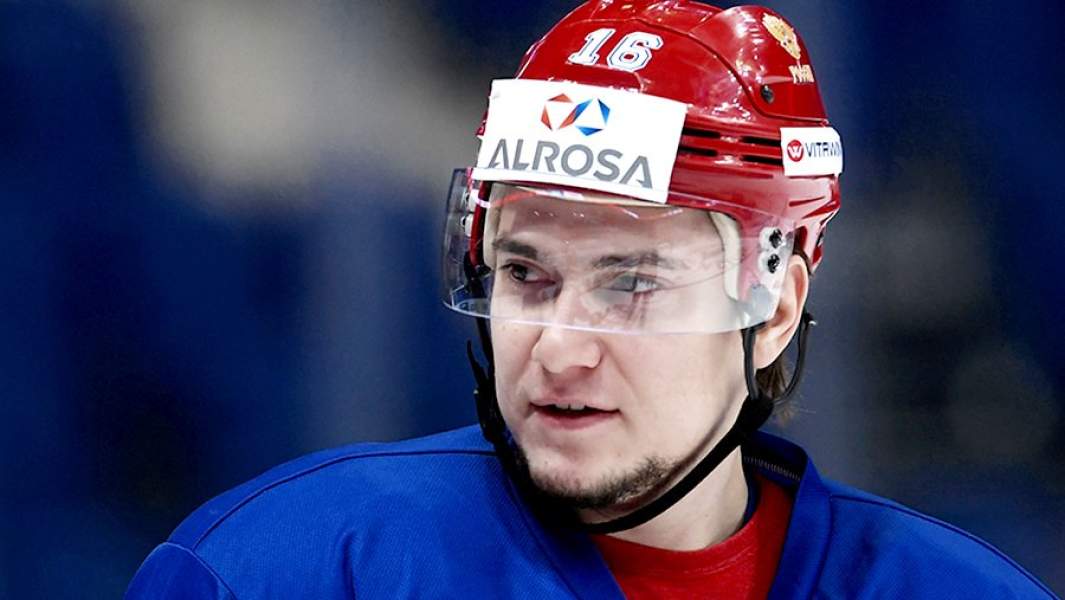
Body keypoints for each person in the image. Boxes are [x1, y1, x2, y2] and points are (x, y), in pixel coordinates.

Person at [127, 2, 1057, 598]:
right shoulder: (287, 569)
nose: (559, 349)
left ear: (772, 308)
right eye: (525, 274)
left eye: (632, 284)